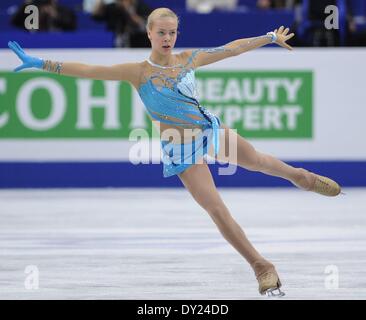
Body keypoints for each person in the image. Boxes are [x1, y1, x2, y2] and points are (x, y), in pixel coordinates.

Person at [7, 7, 342, 297]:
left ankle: (301, 176)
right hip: (180, 150)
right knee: (217, 209)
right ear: (149, 33)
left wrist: (267, 37)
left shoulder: (188, 60)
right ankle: (260, 266)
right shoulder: (137, 72)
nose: (167, 38)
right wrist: (41, 63)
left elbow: (231, 49)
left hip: (208, 131)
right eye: (161, 32)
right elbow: (90, 71)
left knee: (259, 161)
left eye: (172, 32)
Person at [11, 0, 77, 32]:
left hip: (57, 42)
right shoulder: (31, 10)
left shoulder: (65, 11)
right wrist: (26, 5)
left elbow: (72, 27)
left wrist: (56, 16)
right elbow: (15, 22)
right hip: (32, 42)